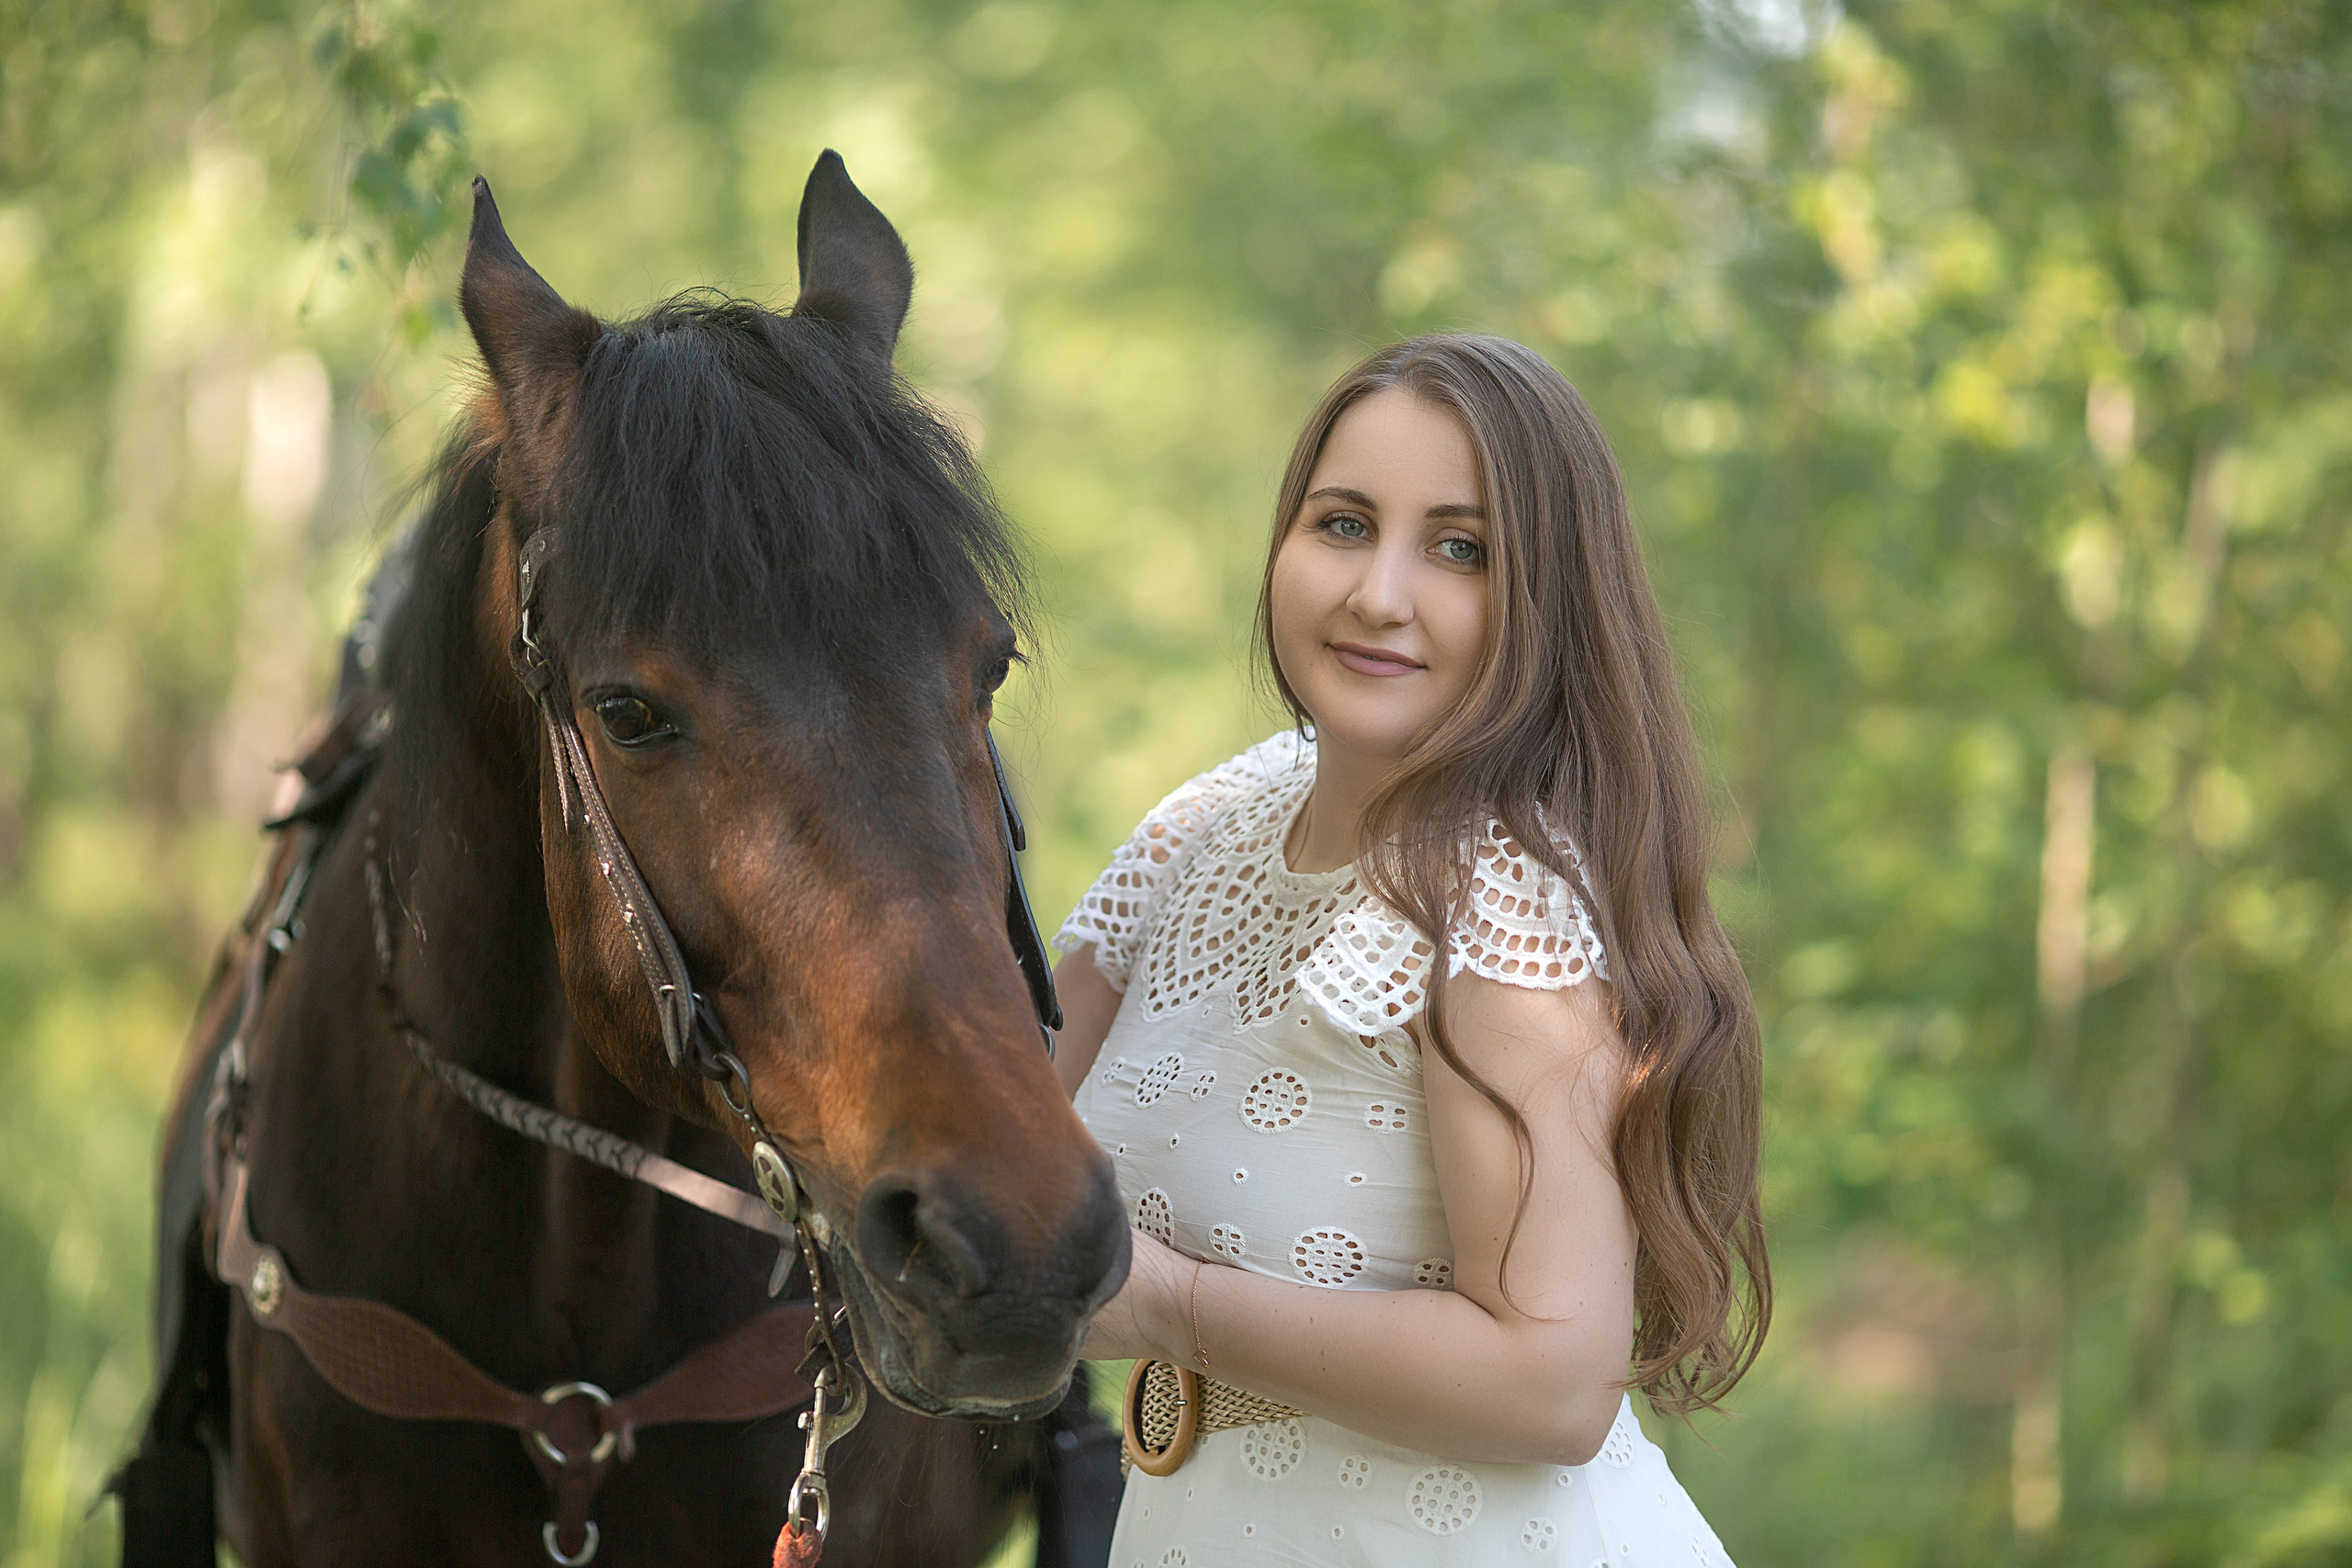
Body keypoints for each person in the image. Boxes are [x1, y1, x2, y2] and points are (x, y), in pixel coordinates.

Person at [1050, 334, 1767, 1566]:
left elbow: (1553, 1382)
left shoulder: (1504, 889)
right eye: (1341, 524)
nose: (1378, 593)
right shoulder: (1207, 826)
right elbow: (984, 1121)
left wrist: (1169, 1304)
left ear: (1547, 597)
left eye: (1460, 549)